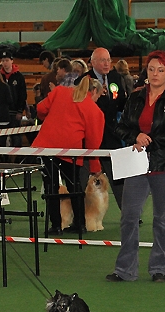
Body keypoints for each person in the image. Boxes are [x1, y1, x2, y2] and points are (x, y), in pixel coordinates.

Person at [106, 50, 165, 282]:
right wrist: (135, 136)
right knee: (129, 217)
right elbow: (120, 127)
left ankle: (159, 268)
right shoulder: (135, 97)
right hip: (136, 165)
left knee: (163, 218)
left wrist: (150, 140)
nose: (155, 74)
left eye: (160, 70)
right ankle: (125, 269)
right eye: (151, 69)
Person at [31, 76, 105, 235]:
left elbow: (40, 109)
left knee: (51, 186)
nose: (97, 100)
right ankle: (80, 224)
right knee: (74, 186)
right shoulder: (94, 110)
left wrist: (50, 118)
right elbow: (93, 141)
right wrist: (95, 166)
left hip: (47, 146)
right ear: (93, 91)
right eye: (98, 97)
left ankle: (56, 225)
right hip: (71, 151)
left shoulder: (59, 91)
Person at [76, 48, 127, 210]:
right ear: (93, 63)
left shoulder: (116, 77)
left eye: (108, 60)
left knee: (118, 179)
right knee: (82, 180)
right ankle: (79, 215)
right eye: (103, 60)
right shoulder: (84, 80)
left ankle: (128, 214)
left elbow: (122, 101)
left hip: (112, 135)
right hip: (89, 138)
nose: (107, 64)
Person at [0, 51, 27, 147]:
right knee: (2, 136)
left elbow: (22, 95)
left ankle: (17, 154)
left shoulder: (19, 77)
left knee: (16, 136)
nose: (5, 63)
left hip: (15, 111)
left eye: (7, 60)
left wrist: (20, 111)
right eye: (3, 61)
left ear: (12, 61)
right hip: (3, 112)